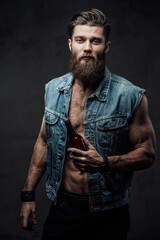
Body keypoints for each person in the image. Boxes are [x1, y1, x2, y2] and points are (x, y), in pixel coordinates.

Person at [20, 8, 156, 240]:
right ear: (70, 44)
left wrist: (105, 163)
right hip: (63, 207)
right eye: (81, 40)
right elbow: (44, 142)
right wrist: (28, 195)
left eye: (96, 41)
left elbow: (147, 154)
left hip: (109, 212)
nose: (87, 47)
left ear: (106, 46)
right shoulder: (53, 90)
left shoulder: (130, 96)